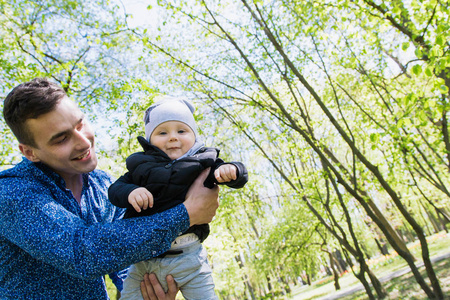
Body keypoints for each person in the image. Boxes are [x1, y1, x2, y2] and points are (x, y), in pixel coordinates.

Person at [0, 78, 219, 300]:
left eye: (80, 124)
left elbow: (125, 256)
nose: (83, 142)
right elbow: (82, 253)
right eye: (61, 139)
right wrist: (186, 214)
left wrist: (150, 288)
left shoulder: (102, 185)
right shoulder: (12, 192)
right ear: (30, 152)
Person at [108, 97, 248, 300]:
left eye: (181, 131)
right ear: (149, 141)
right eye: (162, 132)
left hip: (190, 258)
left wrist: (233, 170)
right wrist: (130, 192)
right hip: (144, 261)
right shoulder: (141, 166)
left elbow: (237, 176)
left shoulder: (203, 162)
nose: (173, 137)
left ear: (194, 135)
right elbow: (115, 190)